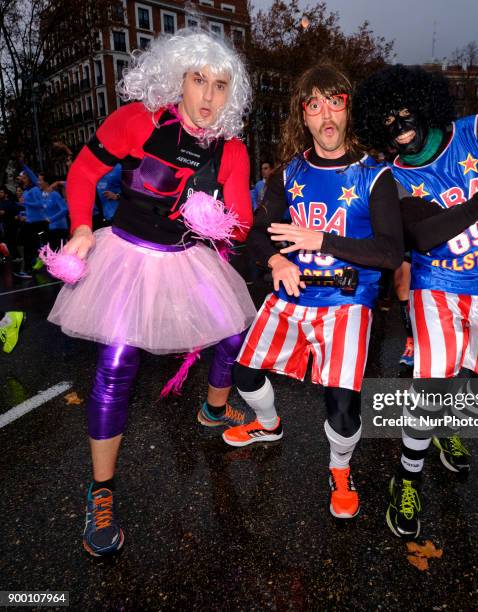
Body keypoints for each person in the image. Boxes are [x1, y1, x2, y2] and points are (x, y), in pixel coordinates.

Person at [47, 28, 257, 557]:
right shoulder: (138, 121)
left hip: (187, 261)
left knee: (234, 333)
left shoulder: (232, 151)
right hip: (127, 256)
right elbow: (83, 172)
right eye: (198, 80)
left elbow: (242, 224)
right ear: (178, 80)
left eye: (221, 85)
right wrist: (78, 227)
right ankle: (101, 494)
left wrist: (218, 222)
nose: (209, 95)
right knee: (116, 366)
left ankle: (212, 408)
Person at [354, 65, 478, 539]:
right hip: (439, 288)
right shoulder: (391, 177)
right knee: (431, 386)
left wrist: (462, 210)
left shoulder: (477, 130)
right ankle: (405, 479)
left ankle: (444, 424)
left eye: (405, 112)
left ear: (426, 104)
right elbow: (424, 237)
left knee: (477, 382)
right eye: (386, 119)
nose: (398, 124)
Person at [222, 63, 404, 519]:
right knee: (242, 374)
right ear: (302, 116)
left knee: (341, 406)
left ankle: (340, 468)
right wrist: (276, 259)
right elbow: (258, 233)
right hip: (291, 295)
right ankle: (269, 424)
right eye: (315, 105)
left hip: (347, 303)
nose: (326, 116)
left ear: (349, 111)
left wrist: (320, 240)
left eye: (335, 103)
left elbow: (389, 253)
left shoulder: (375, 176)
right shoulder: (287, 174)